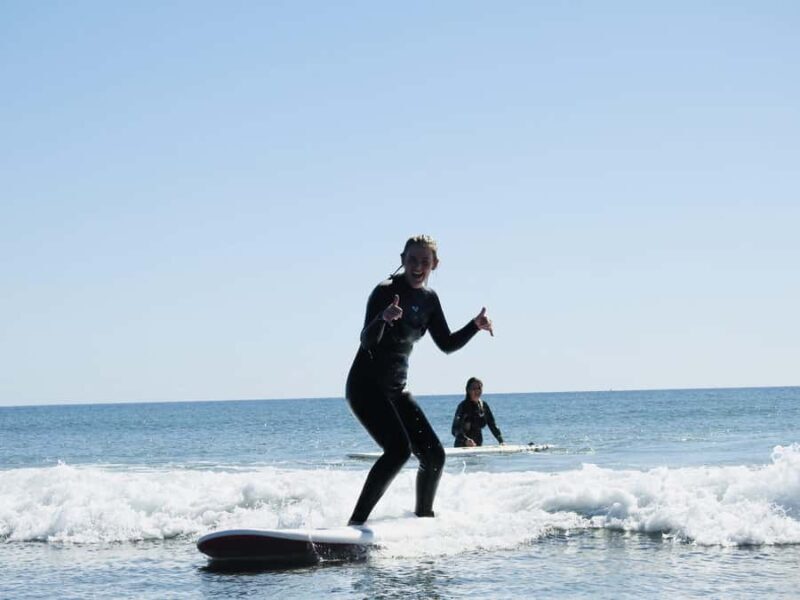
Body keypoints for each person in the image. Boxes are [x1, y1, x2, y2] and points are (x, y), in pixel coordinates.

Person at [346, 235, 494, 525]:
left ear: (434, 265)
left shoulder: (429, 300)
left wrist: (474, 326)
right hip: (365, 386)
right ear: (402, 259)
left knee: (434, 456)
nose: (417, 266)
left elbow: (447, 344)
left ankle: (423, 519)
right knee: (398, 450)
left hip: (395, 388)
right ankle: (356, 523)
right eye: (412, 259)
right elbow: (366, 341)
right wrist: (383, 319)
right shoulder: (384, 292)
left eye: (424, 261)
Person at [451, 377, 504, 447]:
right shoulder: (463, 407)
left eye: (479, 388)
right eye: (474, 388)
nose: (477, 391)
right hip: (462, 447)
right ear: (468, 390)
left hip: (478, 448)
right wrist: (465, 440)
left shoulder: (484, 406)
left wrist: (501, 441)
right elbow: (454, 429)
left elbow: (492, 425)